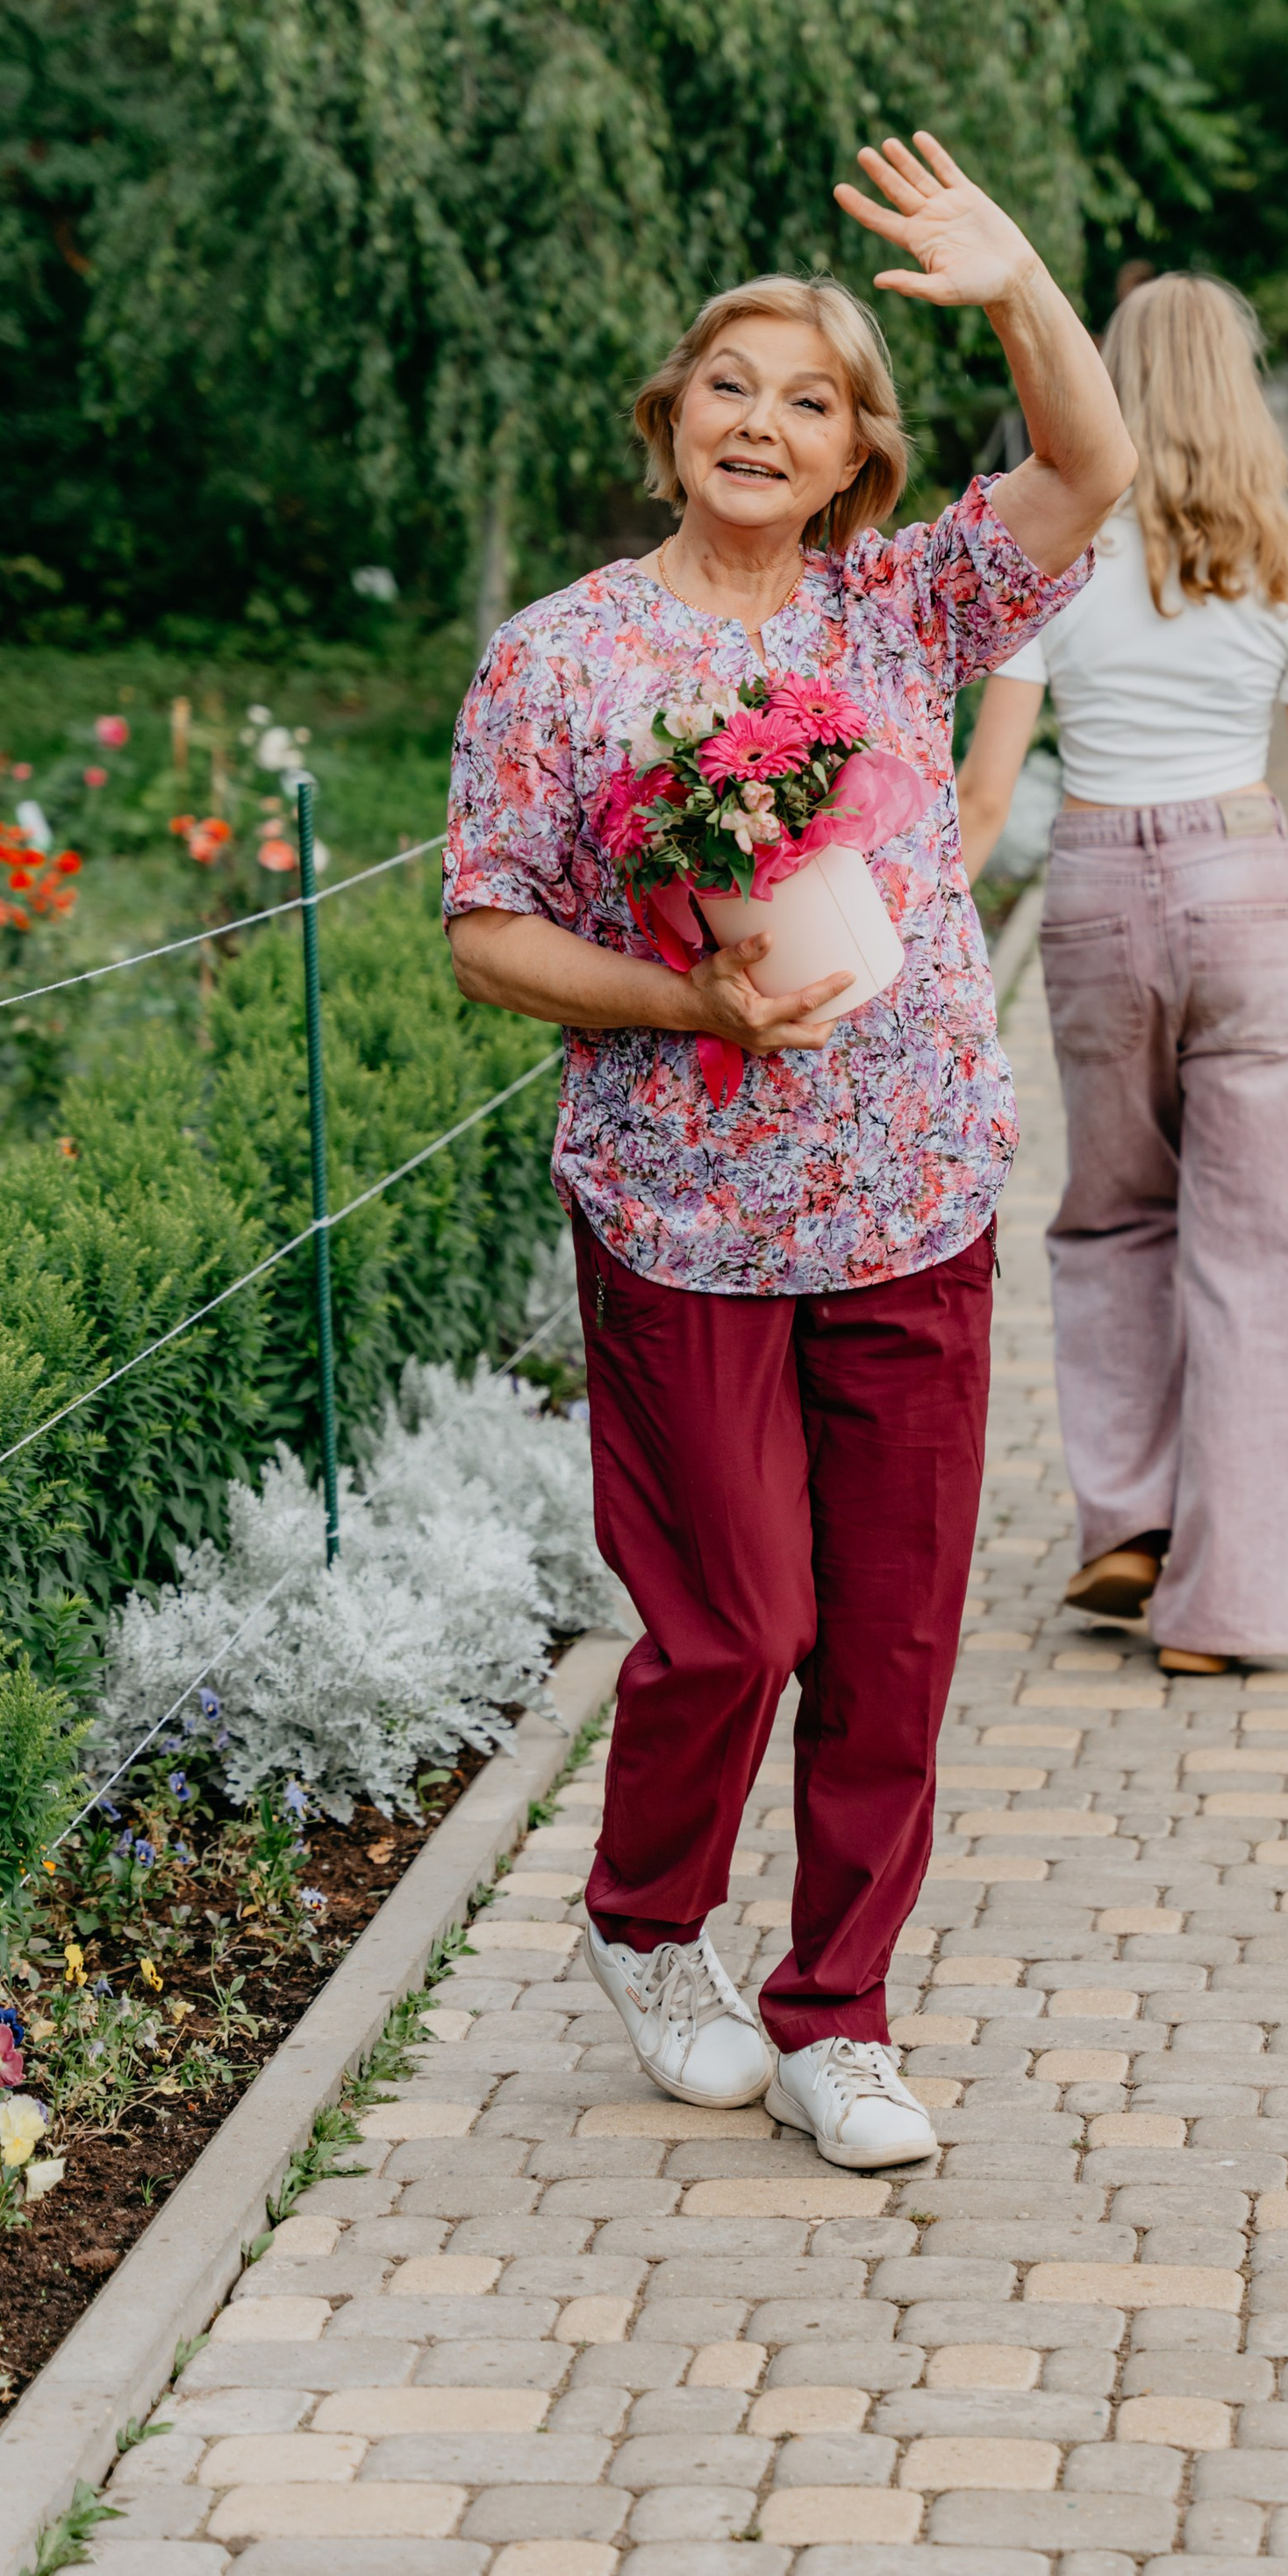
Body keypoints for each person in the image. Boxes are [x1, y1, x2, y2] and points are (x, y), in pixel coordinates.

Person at [444, 134, 1134, 2169]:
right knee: (739, 1625)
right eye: (730, 387)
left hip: (911, 1193)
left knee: (896, 1637)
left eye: (810, 400)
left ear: (857, 460)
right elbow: (488, 931)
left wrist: (1016, 285)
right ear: (670, 427)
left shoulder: (904, 609)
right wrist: (691, 1008)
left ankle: (840, 2012)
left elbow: (1089, 472)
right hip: (680, 1208)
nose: (763, 421)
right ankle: (648, 1922)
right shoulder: (562, 660)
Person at [957, 271, 1288, 1675]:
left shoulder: (1060, 558)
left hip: (1092, 897)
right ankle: (1225, 1613)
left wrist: (912, 956)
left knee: (1111, 1220)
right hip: (1244, 893)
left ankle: (1125, 1523)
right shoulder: (1286, 567)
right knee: (1264, 1259)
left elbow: (984, 797)